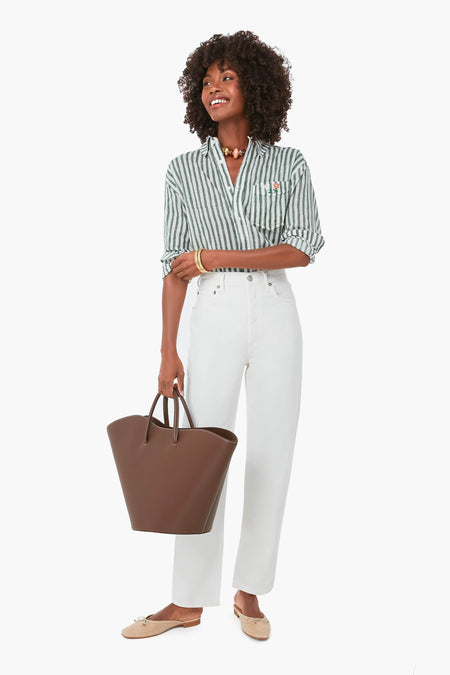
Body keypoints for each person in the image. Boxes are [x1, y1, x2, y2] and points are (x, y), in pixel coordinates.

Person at [121, 29, 325, 641]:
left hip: (275, 310)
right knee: (201, 455)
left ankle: (249, 589)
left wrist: (213, 256)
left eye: (227, 78)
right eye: (207, 81)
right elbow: (173, 266)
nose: (214, 88)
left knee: (271, 451)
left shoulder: (288, 163)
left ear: (254, 86)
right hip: (209, 312)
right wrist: (167, 350)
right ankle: (186, 600)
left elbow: (302, 247)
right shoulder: (183, 171)